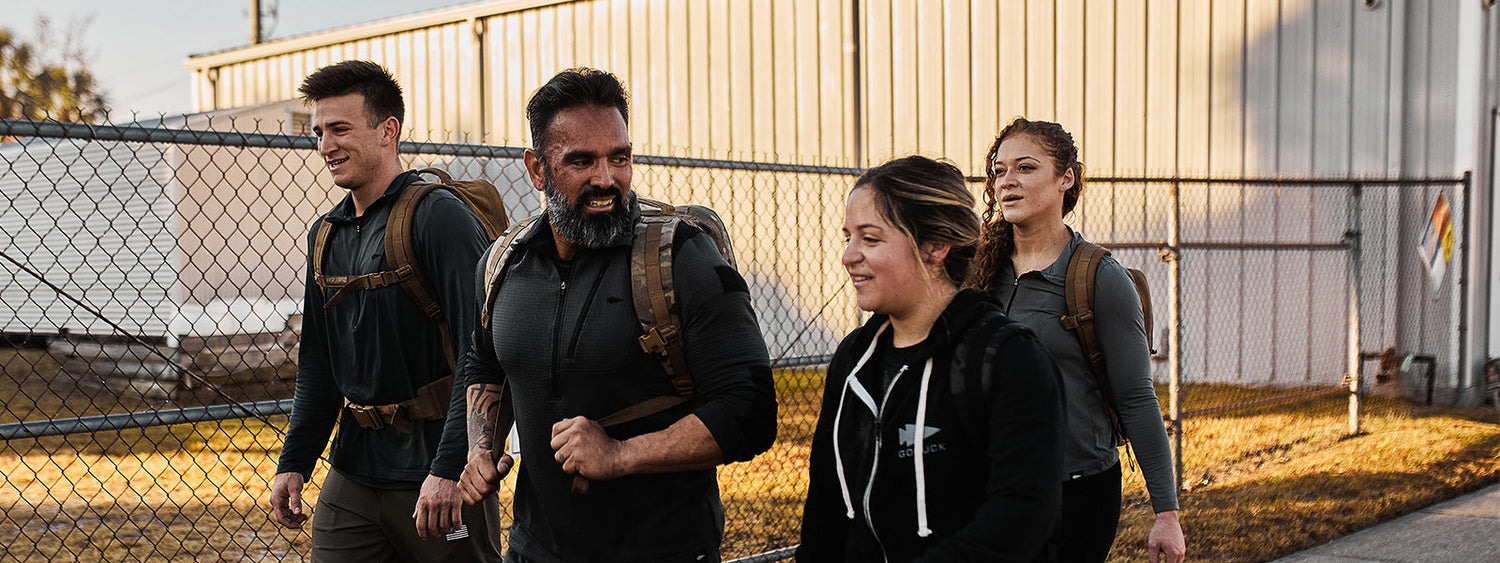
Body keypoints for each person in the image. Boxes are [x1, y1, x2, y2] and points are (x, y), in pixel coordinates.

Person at [456, 67, 778, 562]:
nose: (606, 179)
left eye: (620, 158)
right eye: (581, 161)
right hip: (534, 550)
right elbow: (484, 364)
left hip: (663, 551)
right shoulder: (503, 263)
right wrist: (480, 446)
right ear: (537, 169)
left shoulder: (682, 257)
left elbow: (751, 411)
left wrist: (621, 455)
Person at [266, 60, 501, 562]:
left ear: (387, 131)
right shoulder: (324, 235)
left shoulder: (439, 218)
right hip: (353, 475)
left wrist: (449, 468)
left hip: (438, 476)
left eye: (341, 129)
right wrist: (297, 460)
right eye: (320, 131)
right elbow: (318, 363)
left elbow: (482, 356)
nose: (326, 145)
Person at [797, 155, 1066, 562]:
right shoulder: (855, 360)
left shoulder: (1008, 358)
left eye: (870, 239)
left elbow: (1022, 515)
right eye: (847, 237)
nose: (848, 255)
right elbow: (826, 507)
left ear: (937, 245)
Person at [968, 118, 1186, 563]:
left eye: (1025, 168)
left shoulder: (1098, 277)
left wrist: (1167, 513)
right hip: (988, 487)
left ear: (1066, 178)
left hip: (1076, 494)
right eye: (999, 169)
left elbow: (1137, 398)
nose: (1007, 180)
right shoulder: (977, 271)